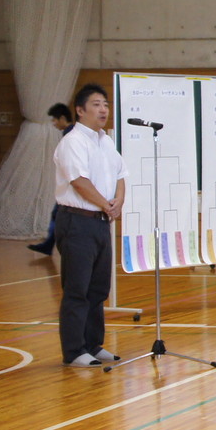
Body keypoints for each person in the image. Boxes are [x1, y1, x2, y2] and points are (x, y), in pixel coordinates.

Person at [53, 83, 126, 369]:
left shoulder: (106, 141)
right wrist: (105, 204)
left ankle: (93, 344)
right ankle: (74, 350)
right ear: (80, 110)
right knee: (77, 288)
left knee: (98, 288)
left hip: (100, 222)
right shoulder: (72, 142)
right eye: (96, 104)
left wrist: (118, 201)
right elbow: (78, 181)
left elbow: (121, 174)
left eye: (105, 104)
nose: (103, 109)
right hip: (77, 221)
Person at [27, 102, 75, 256]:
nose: (54, 124)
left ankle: (53, 246)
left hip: (72, 185)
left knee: (59, 215)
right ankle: (49, 245)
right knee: (57, 214)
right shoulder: (69, 132)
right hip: (70, 184)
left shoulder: (70, 134)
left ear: (62, 118)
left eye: (54, 120)